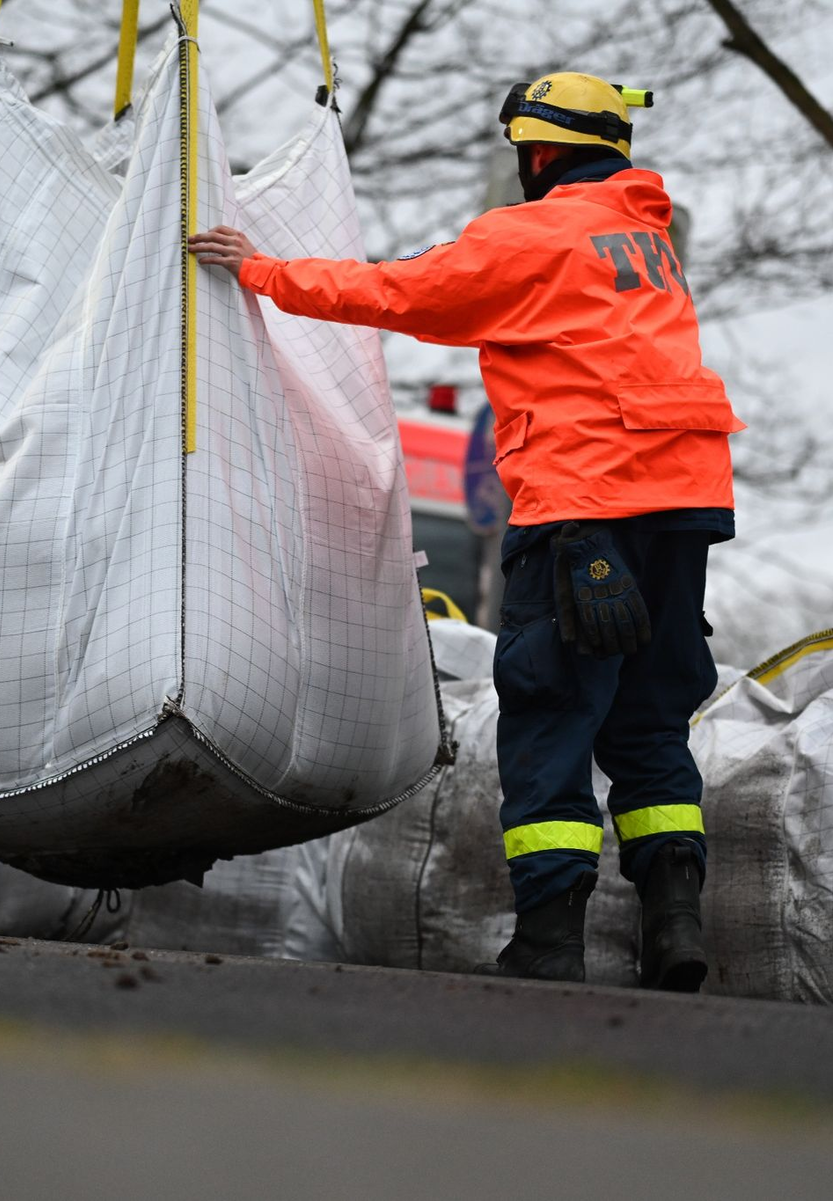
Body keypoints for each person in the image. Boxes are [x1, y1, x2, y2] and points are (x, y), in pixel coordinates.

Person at [189, 72, 743, 992]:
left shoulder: (529, 236)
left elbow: (404, 293)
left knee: (551, 714)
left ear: (539, 151)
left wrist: (262, 272)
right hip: (683, 509)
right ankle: (675, 923)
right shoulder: (642, 240)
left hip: (579, 513)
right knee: (650, 723)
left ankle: (550, 939)